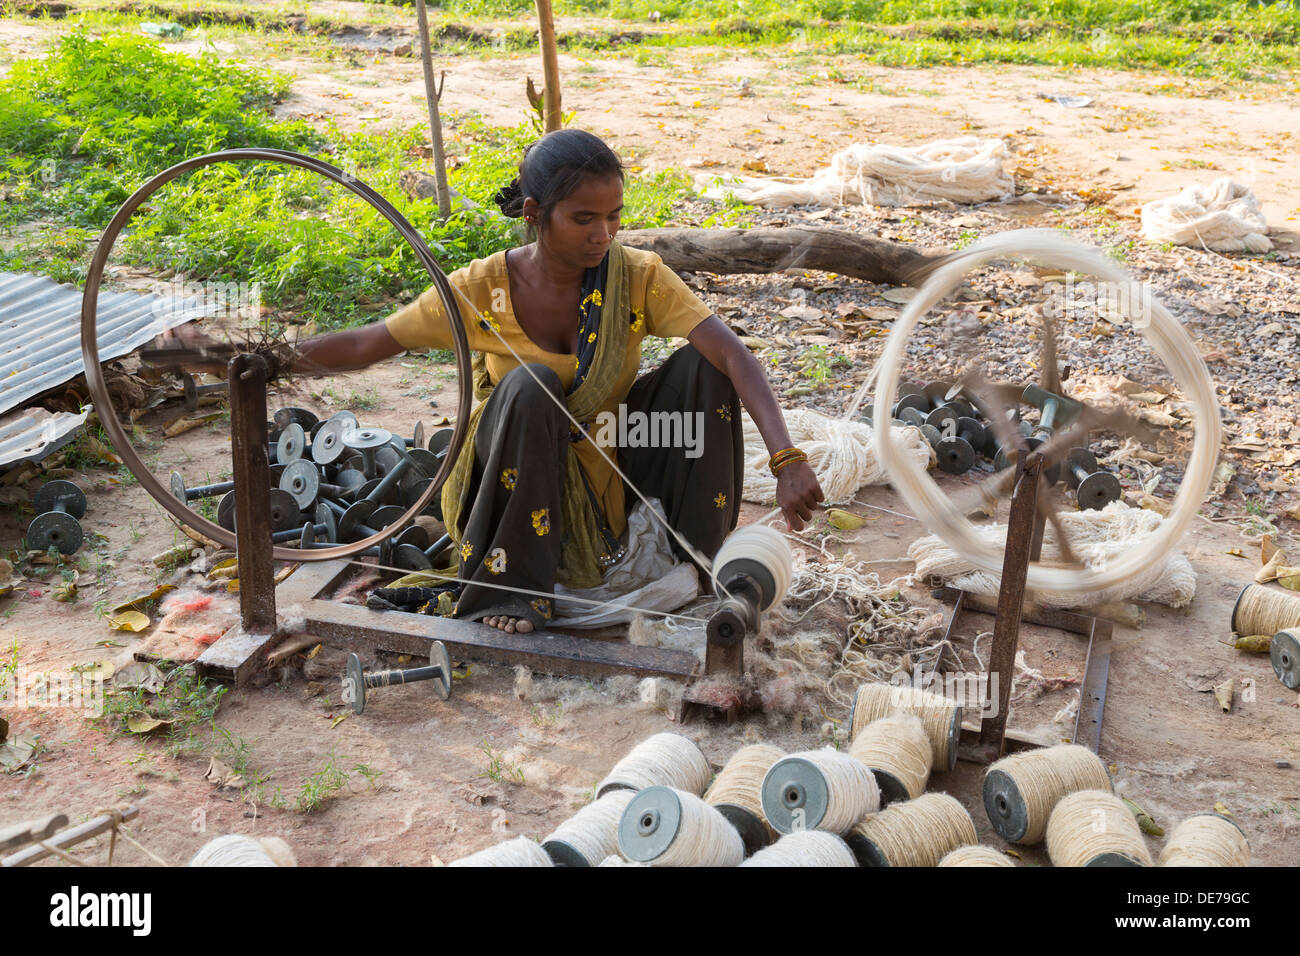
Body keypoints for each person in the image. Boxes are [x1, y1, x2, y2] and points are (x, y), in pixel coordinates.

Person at [284, 129, 823, 633]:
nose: (604, 235)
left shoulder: (636, 276)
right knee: (531, 383)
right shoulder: (481, 289)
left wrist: (787, 458)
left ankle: (696, 556)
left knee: (705, 367)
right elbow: (367, 343)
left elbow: (733, 355)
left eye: (613, 216)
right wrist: (268, 359)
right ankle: (513, 588)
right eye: (584, 218)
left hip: (610, 463)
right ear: (535, 213)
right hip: (504, 480)